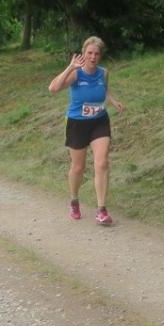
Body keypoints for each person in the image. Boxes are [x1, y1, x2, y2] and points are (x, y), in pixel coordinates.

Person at [48, 36, 124, 225]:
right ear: (83, 54)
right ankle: (74, 201)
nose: (93, 57)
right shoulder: (76, 74)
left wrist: (113, 101)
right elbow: (53, 88)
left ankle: (101, 210)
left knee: (102, 162)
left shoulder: (104, 73)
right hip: (77, 123)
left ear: (100, 56)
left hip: (99, 121)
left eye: (96, 54)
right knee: (78, 167)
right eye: (89, 53)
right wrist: (70, 67)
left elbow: (104, 90)